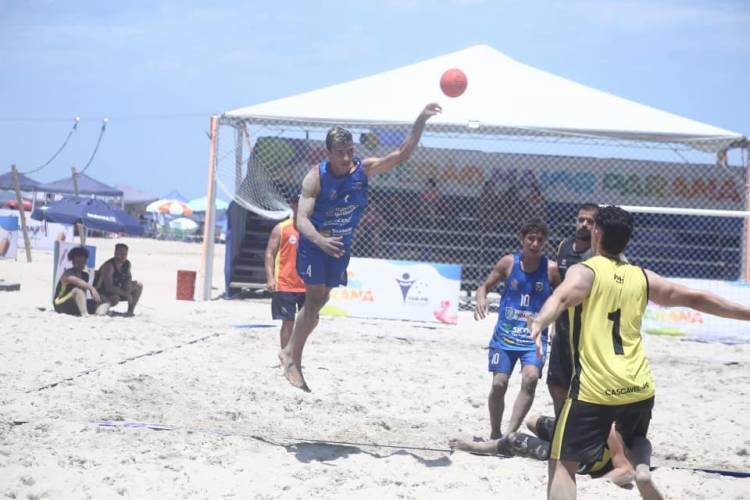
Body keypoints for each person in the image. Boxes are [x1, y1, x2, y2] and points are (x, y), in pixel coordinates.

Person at [528, 205, 750, 500]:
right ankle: (640, 467)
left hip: (595, 389)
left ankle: (634, 466)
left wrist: (540, 322)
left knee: (562, 466)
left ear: (596, 233)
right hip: (639, 386)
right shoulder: (643, 278)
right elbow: (696, 298)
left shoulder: (586, 271)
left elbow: (561, 296)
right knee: (636, 441)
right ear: (628, 240)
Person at [279, 102, 442, 392]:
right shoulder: (315, 177)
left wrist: (420, 120)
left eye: (349, 150)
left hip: (340, 245)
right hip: (316, 243)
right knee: (313, 303)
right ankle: (291, 357)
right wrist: (320, 240)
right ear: (328, 153)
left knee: (319, 306)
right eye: (340, 152)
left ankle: (291, 351)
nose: (346, 156)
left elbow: (402, 154)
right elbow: (300, 219)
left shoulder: (363, 170)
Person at [474, 218, 561, 439]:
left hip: (533, 338)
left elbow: (562, 300)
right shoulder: (508, 263)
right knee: (499, 384)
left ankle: (508, 436)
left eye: (540, 240)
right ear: (522, 239)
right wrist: (481, 299)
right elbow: (483, 286)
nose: (534, 244)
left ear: (545, 243)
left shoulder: (550, 269)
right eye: (531, 239)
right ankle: (495, 433)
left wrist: (555, 325)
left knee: (530, 378)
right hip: (504, 337)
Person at [449, 415, 634, 487]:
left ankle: (477, 448)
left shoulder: (611, 427)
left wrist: (597, 483)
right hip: (576, 432)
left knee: (515, 440)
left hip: (581, 458)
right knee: (533, 422)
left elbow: (626, 471)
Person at [546, 203, 599, 417]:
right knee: (556, 381)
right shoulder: (564, 246)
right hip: (563, 325)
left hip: (587, 328)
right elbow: (559, 289)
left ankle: (577, 425)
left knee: (583, 384)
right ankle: (561, 424)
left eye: (590, 221)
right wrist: (552, 322)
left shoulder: (598, 253)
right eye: (581, 219)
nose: (585, 224)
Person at [265, 197, 306, 349]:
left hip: (307, 285)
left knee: (310, 321)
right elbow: (270, 253)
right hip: (285, 284)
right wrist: (270, 278)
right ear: (293, 206)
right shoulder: (281, 228)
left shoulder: (313, 228)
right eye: (299, 205)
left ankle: (295, 353)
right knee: (288, 322)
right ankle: (286, 357)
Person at [54, 246, 108, 317]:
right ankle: (84, 313)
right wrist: (92, 288)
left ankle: (99, 313)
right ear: (72, 262)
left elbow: (84, 293)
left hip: (75, 304)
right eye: (77, 262)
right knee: (77, 290)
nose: (80, 265)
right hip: (61, 304)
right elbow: (78, 282)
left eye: (82, 262)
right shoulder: (67, 273)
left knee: (103, 301)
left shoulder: (85, 275)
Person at [95, 243, 143, 317]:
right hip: (103, 292)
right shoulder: (109, 266)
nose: (123, 256)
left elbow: (128, 279)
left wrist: (128, 291)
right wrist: (125, 294)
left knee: (138, 285)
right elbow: (109, 287)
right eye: (120, 254)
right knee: (115, 298)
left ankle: (130, 311)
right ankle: (103, 307)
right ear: (115, 253)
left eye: (125, 254)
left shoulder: (127, 264)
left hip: (118, 289)